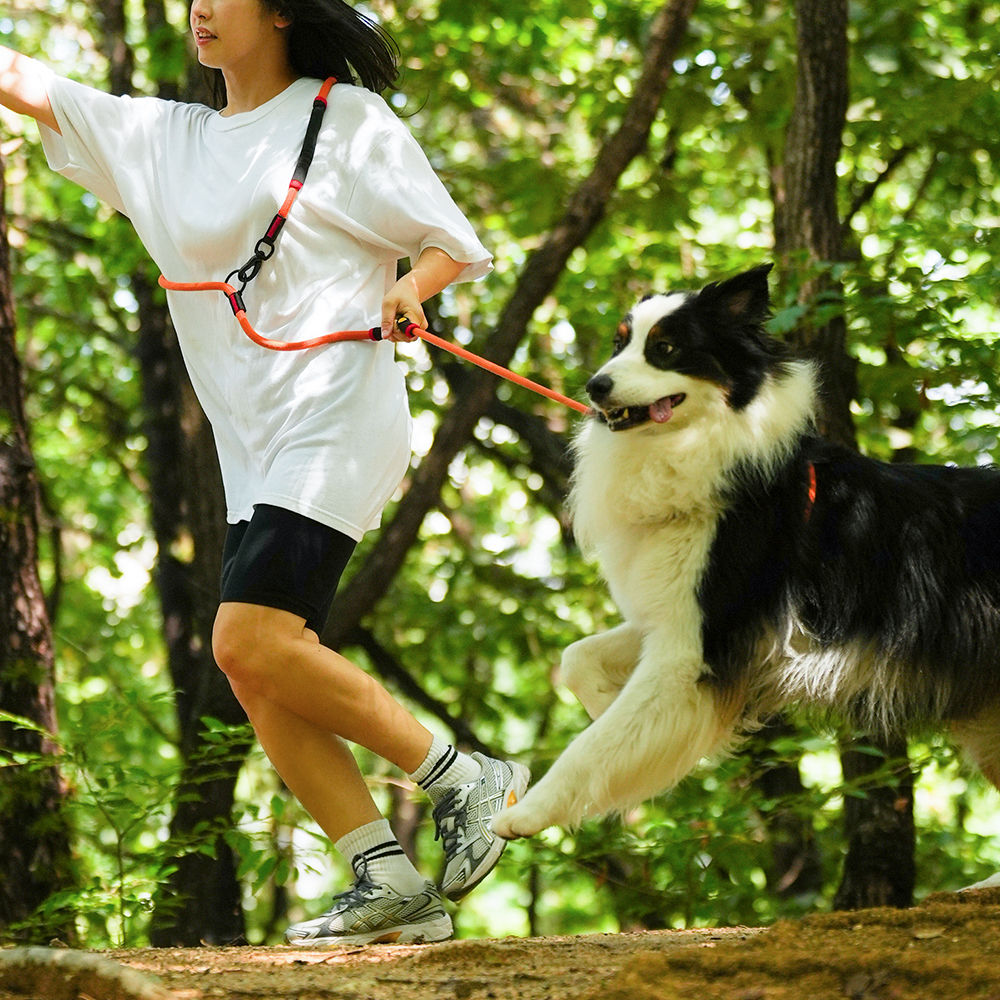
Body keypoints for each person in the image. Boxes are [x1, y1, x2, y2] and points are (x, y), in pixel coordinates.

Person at [0, 0, 529, 947]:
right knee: (254, 670)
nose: (202, 6)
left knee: (247, 639)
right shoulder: (165, 139)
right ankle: (386, 876)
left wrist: (410, 286)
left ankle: (461, 777)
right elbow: (28, 83)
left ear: (282, 10)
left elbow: (453, 243)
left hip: (336, 419)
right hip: (252, 448)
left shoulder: (346, 118)